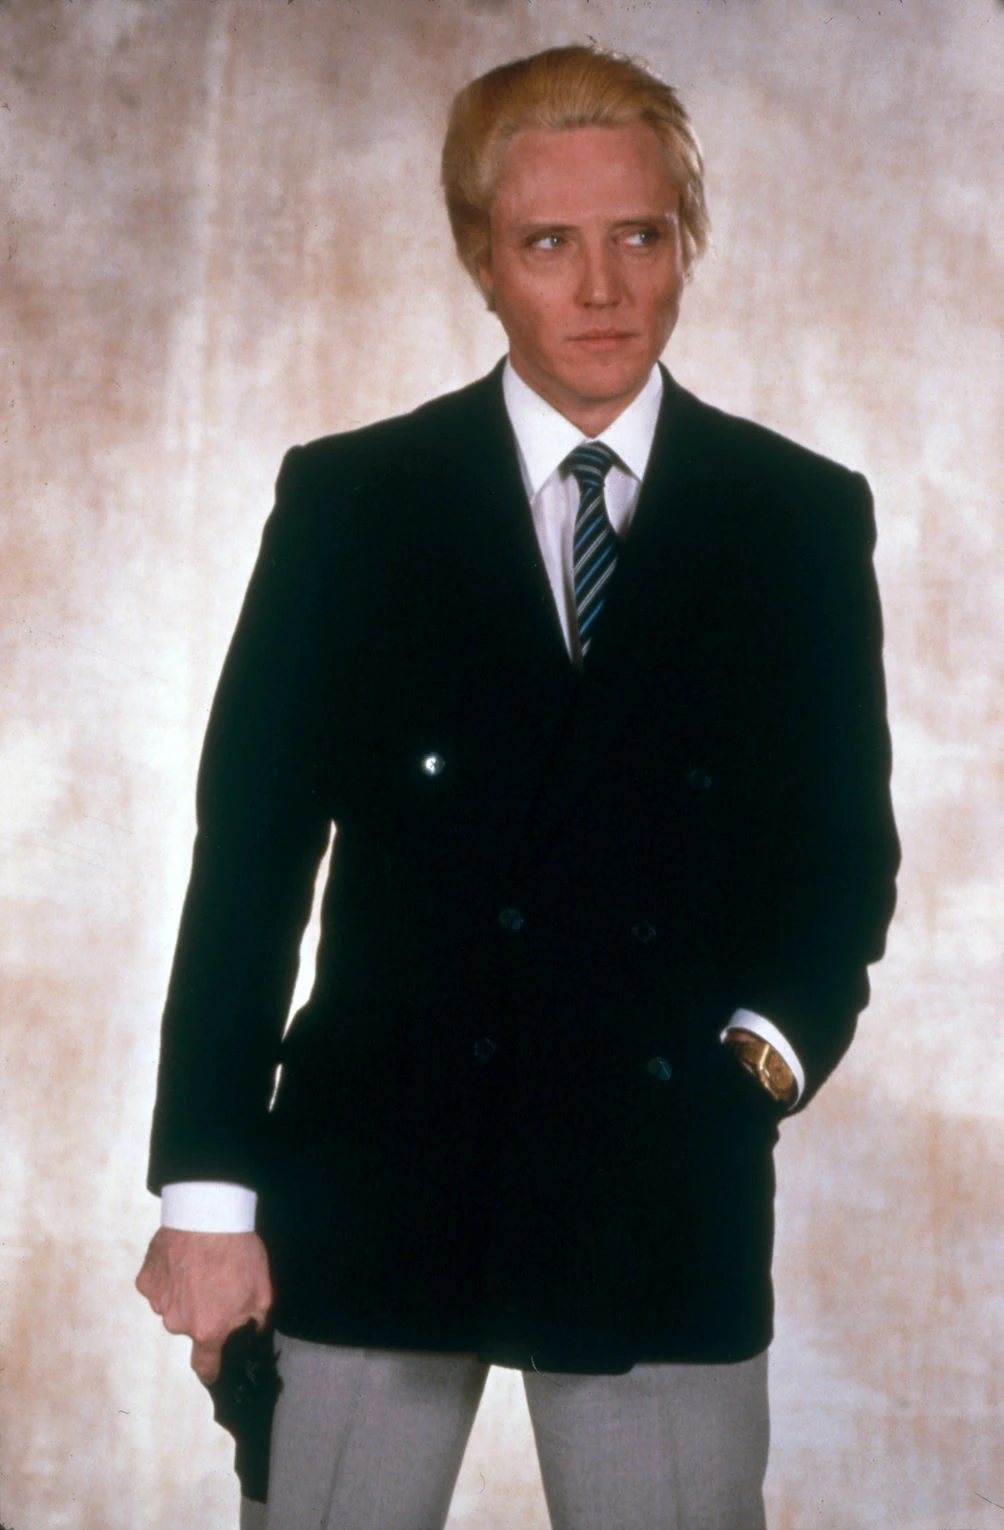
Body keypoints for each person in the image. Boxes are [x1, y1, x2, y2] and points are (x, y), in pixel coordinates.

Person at [136, 44, 899, 1530]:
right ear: (481, 259)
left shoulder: (797, 518)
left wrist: (755, 1066)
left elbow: (838, 861)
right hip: (375, 1173)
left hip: (657, 1178)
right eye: (550, 243)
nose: (603, 287)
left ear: (686, 243)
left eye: (640, 235)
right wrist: (209, 1192)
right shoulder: (351, 503)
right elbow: (249, 867)